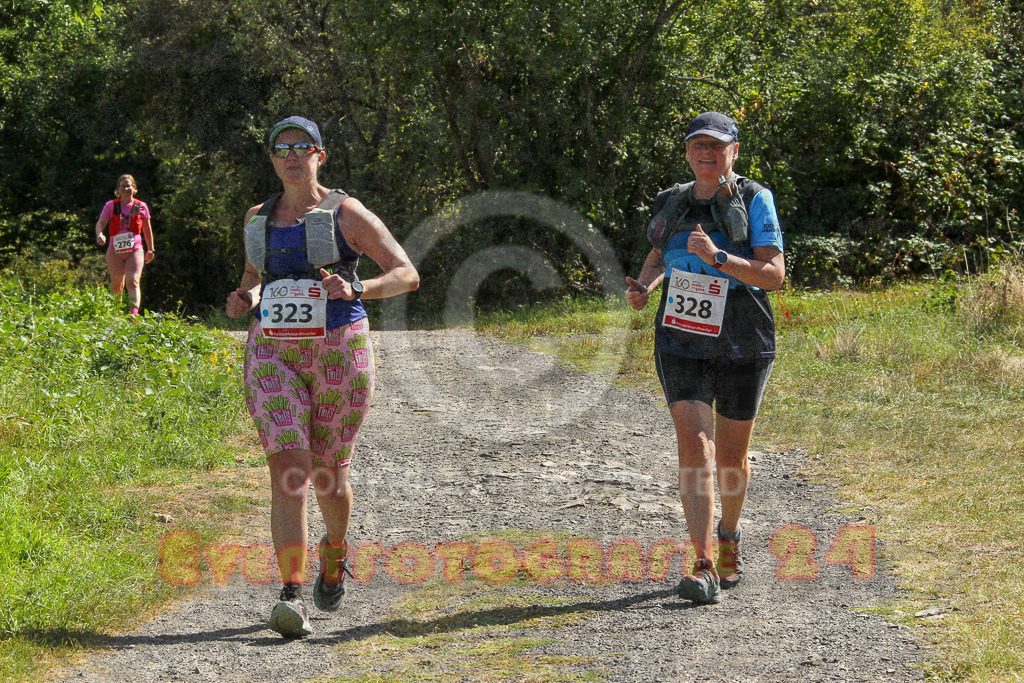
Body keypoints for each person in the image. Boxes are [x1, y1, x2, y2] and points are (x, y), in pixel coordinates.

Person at [225, 116, 419, 637]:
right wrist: (244, 297)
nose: (292, 155)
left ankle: (334, 553)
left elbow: (406, 273)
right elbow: (254, 276)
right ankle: (290, 593)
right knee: (289, 467)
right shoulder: (257, 217)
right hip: (272, 353)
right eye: (281, 148)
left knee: (330, 474)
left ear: (320, 155)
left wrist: (358, 290)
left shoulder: (345, 213)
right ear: (271, 158)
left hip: (339, 351)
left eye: (302, 146)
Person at [625, 111, 785, 604]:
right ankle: (702, 564)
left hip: (742, 329)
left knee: (733, 454)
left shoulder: (755, 199)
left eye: (717, 145)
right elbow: (658, 256)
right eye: (698, 145)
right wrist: (645, 286)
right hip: (681, 333)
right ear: (688, 152)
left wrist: (719, 258)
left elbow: (774, 275)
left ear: (734, 151)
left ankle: (729, 537)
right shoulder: (671, 202)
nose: (706, 153)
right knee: (695, 443)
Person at [95, 174, 155, 317]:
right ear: (118, 190)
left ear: (134, 189)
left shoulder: (140, 206)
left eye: (129, 186)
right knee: (117, 286)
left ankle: (133, 315)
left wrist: (151, 249)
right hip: (115, 251)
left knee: (133, 281)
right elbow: (101, 223)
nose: (126, 188)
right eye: (123, 186)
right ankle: (116, 316)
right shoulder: (111, 206)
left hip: (135, 250)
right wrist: (100, 234)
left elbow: (147, 229)